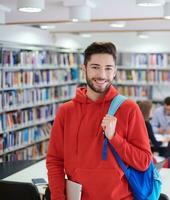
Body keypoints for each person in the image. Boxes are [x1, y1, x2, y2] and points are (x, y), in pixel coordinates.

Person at [46, 42, 152, 200]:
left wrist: (114, 138)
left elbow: (143, 161)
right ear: (84, 69)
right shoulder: (66, 111)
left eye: (108, 68)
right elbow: (55, 161)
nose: (102, 75)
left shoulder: (129, 108)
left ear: (115, 71)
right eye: (95, 67)